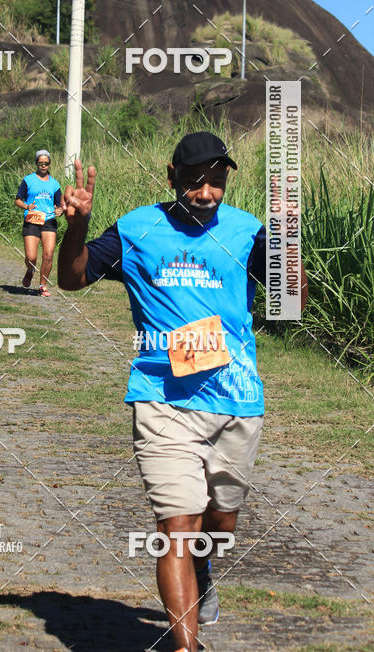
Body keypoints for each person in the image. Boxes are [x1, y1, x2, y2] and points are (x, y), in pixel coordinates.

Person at [58, 132, 308, 652]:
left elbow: (290, 302)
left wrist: (288, 243)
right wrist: (78, 226)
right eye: (194, 181)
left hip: (236, 400)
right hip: (161, 398)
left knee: (219, 523)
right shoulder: (137, 229)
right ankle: (186, 646)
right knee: (177, 526)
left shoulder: (246, 231)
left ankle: (205, 562)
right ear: (171, 177)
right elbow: (72, 278)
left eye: (216, 182)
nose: (206, 193)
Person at [15, 149, 63, 297]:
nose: (43, 166)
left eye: (46, 163)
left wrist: (60, 210)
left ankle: (43, 285)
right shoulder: (28, 180)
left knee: (48, 255)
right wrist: (26, 206)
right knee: (31, 257)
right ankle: (30, 270)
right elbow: (17, 200)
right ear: (36, 163)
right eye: (40, 163)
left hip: (48, 220)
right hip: (32, 219)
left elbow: (60, 204)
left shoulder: (54, 184)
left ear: (49, 164)